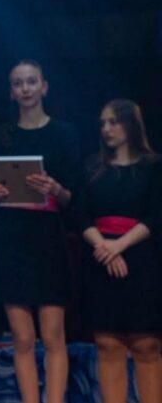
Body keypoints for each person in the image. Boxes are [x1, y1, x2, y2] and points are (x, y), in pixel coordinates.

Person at [0, 60, 81, 403]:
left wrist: (56, 189)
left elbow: (74, 199)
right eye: (18, 83)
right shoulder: (2, 135)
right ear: (12, 92)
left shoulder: (64, 135)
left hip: (48, 238)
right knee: (22, 337)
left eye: (31, 81)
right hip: (12, 239)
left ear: (44, 86)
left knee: (53, 335)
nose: (25, 88)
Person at [75, 99, 161, 403]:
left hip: (140, 259)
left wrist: (118, 246)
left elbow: (156, 216)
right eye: (102, 123)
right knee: (108, 344)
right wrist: (104, 246)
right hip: (101, 259)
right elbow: (80, 215)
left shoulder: (153, 166)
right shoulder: (92, 167)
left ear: (131, 125)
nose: (106, 128)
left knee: (146, 344)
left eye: (113, 122)